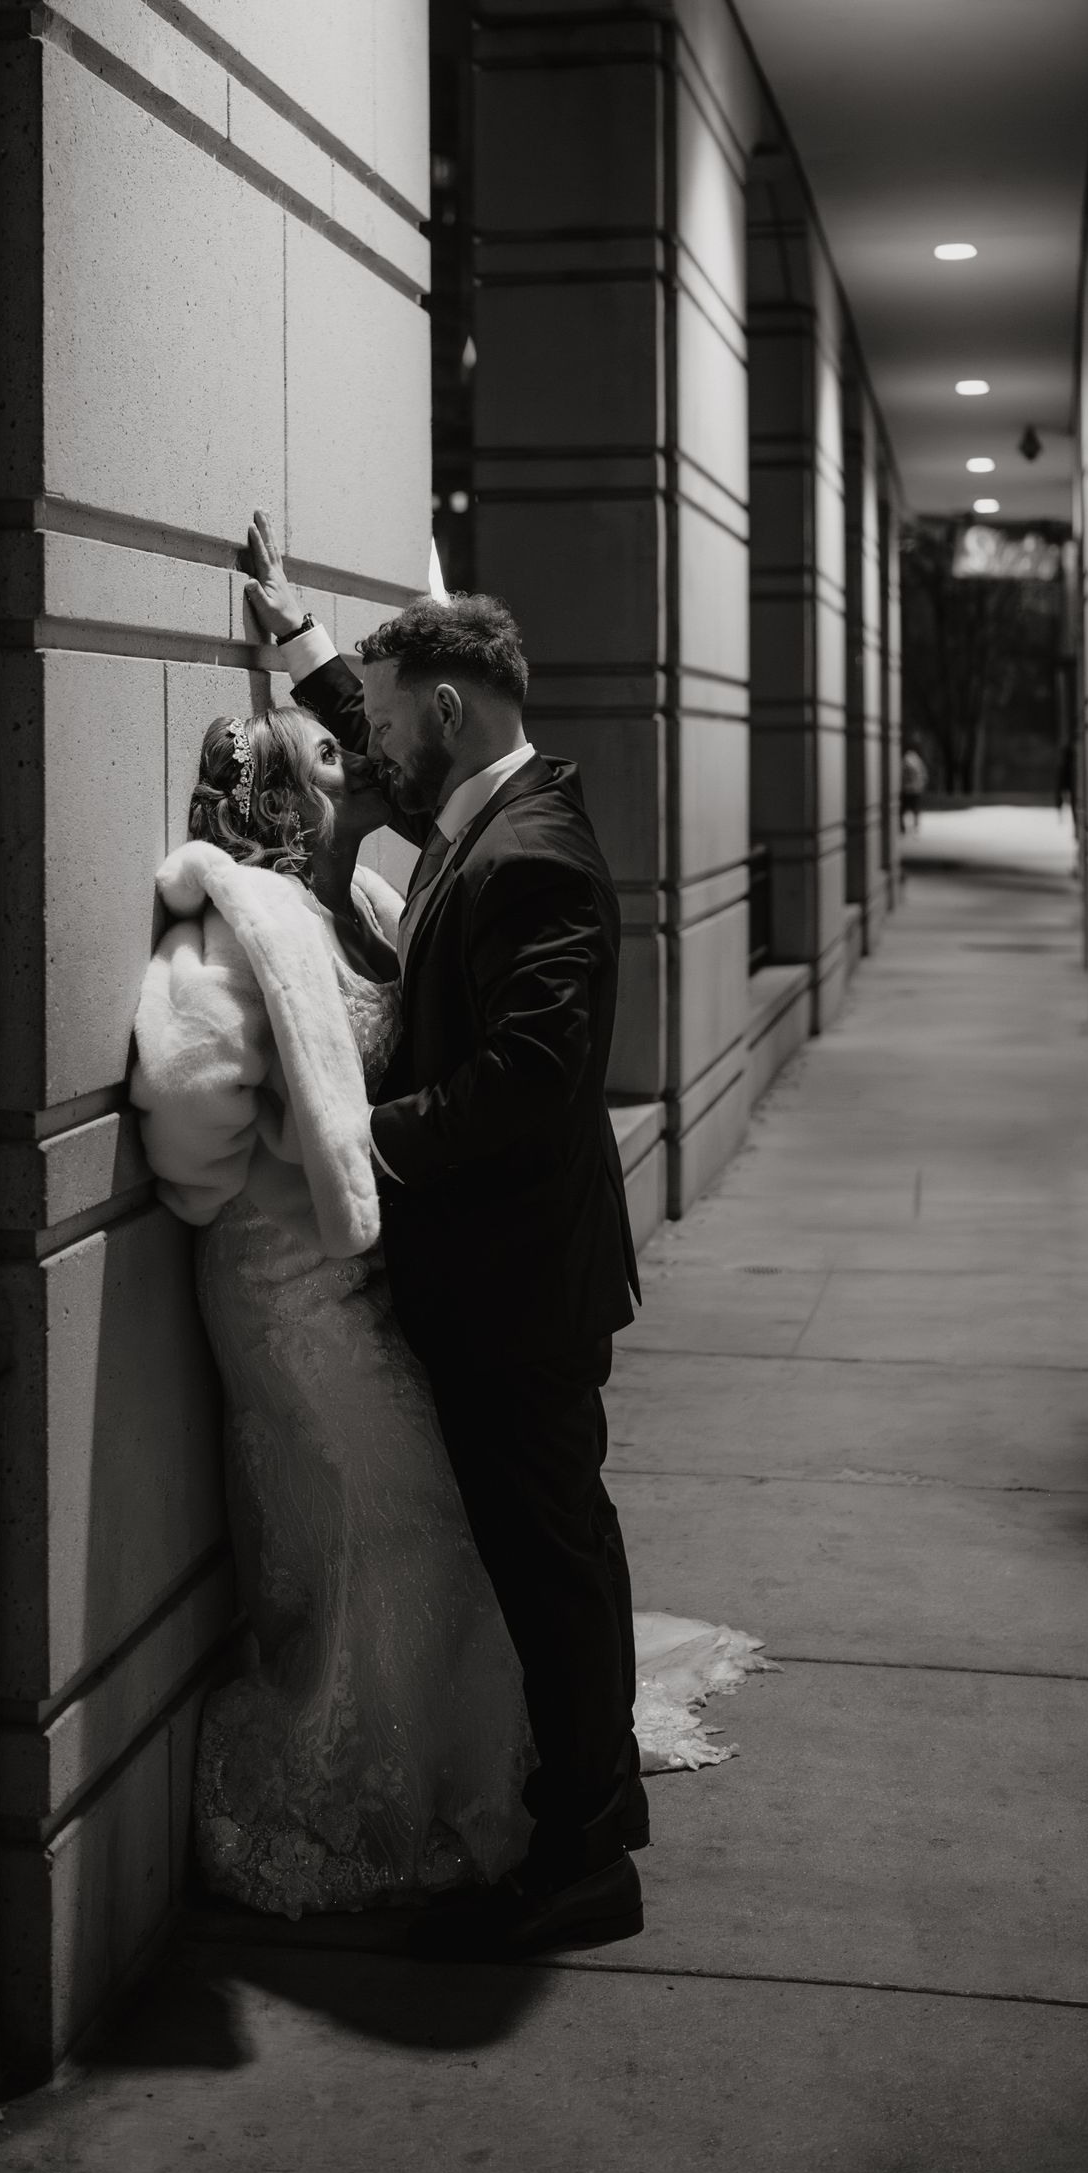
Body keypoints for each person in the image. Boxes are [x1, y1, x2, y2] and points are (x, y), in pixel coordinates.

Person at [241, 510, 650, 1960]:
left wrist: (360, 1143)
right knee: (554, 1550)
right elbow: (386, 733)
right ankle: (605, 1802)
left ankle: (591, 1856)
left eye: (403, 730)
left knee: (551, 1557)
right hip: (512, 1273)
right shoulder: (485, 813)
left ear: (458, 712)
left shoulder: (533, 858)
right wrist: (304, 648)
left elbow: (533, 1084)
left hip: (521, 1284)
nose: (380, 763)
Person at [129, 704, 532, 1918]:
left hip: (364, 1276)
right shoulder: (237, 927)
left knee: (414, 1518)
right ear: (281, 797)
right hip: (282, 1282)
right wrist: (258, 1188)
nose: (353, 758)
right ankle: (357, 1776)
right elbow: (191, 1101)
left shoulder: (348, 904)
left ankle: (446, 1752)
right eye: (323, 753)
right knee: (390, 1518)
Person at [900, 740, 927, 831]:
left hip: (906, 789)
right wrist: (921, 785)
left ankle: (902, 827)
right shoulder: (918, 761)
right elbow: (923, 774)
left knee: (903, 809)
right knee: (915, 808)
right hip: (916, 789)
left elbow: (901, 775)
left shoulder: (904, 761)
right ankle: (915, 826)